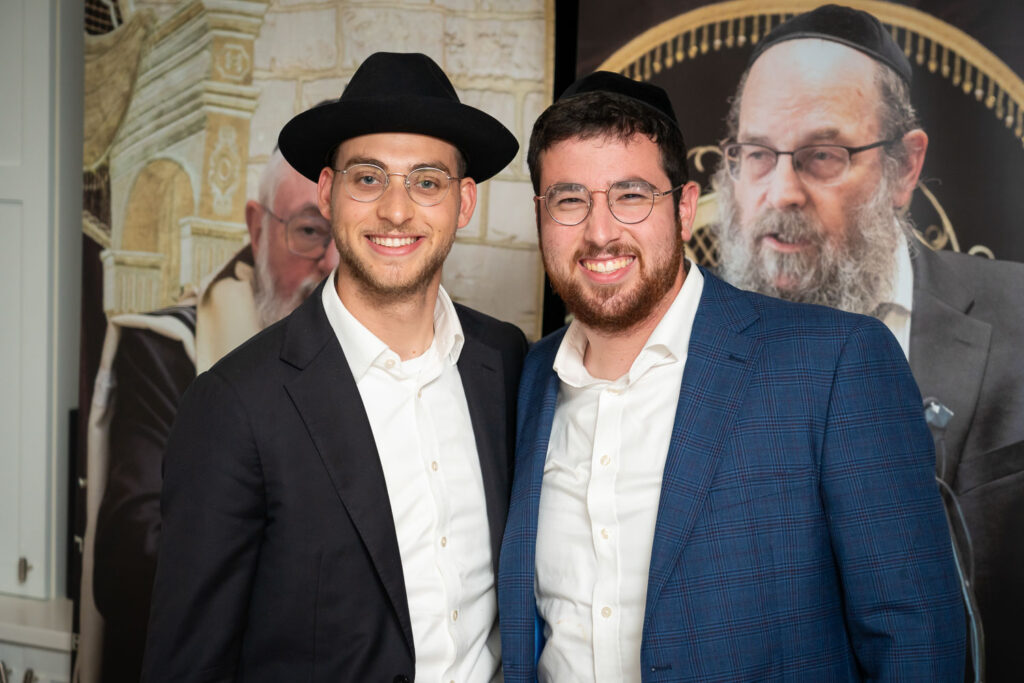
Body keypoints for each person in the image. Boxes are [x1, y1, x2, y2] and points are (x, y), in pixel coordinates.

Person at [497, 70, 965, 681]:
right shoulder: (526, 377)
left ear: (684, 208)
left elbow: (916, 638)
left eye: (632, 196)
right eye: (569, 200)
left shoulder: (835, 364)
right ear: (540, 215)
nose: (600, 231)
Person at [141, 52, 526, 683]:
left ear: (464, 202)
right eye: (368, 178)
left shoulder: (505, 363)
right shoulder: (234, 405)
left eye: (427, 182)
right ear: (328, 192)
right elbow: (188, 666)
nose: (396, 210)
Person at [711, 5, 1024, 678]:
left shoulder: (1018, 318)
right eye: (757, 155)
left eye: (822, 156)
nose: (781, 192)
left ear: (904, 167)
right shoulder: (681, 351)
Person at [77, 146, 337, 683]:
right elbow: (133, 558)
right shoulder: (170, 351)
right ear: (257, 228)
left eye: (350, 237)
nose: (332, 264)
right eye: (310, 231)